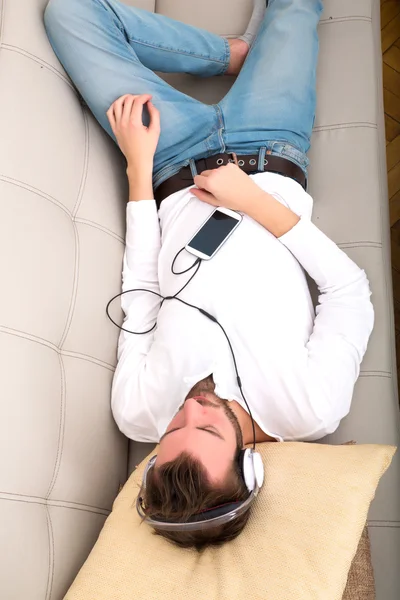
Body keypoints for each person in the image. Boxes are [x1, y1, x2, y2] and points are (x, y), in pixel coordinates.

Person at [44, 0, 374, 551]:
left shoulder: (137, 411)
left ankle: (231, 58)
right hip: (271, 150)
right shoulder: (310, 407)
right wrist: (251, 199)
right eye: (206, 428)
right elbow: (348, 292)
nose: (190, 410)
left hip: (167, 157)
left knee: (69, 14)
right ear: (253, 464)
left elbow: (143, 300)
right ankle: (261, 56)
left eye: (172, 432)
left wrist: (137, 168)